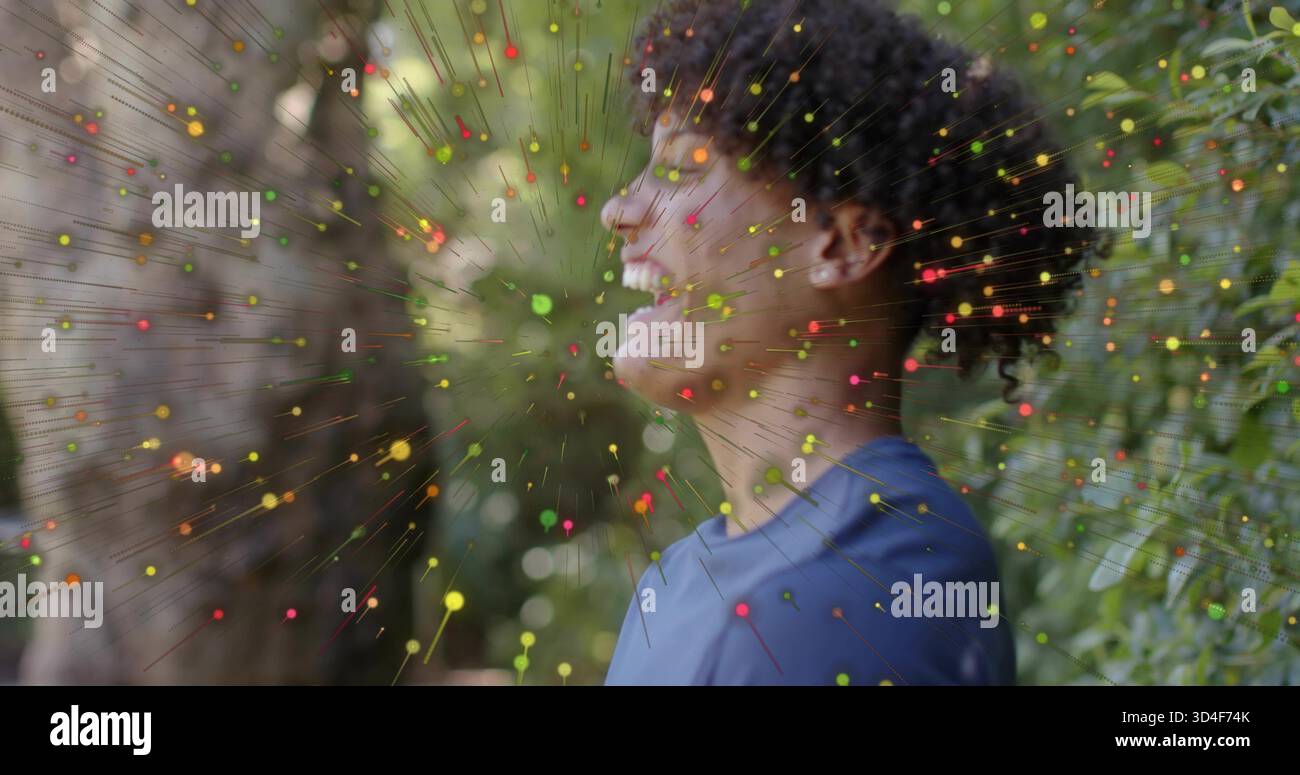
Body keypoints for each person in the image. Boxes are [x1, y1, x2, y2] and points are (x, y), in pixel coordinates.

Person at [599, 0, 1102, 685]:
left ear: (843, 244)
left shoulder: (873, 582)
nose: (620, 210)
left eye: (683, 166)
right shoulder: (679, 581)